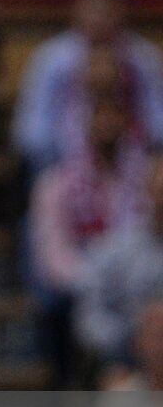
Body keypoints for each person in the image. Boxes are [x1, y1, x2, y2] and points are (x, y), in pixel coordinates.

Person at [28, 96, 151, 385]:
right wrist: (95, 280)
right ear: (84, 126)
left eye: (115, 115)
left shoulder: (146, 178)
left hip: (133, 286)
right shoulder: (56, 183)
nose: (108, 124)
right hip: (80, 287)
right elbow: (53, 257)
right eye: (100, 116)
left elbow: (146, 239)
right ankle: (73, 393)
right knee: (69, 312)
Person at [13, 0, 163, 173]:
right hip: (62, 160)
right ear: (76, 16)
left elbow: (157, 116)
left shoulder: (142, 58)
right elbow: (32, 127)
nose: (98, 20)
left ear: (119, 14)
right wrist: (55, 169)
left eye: (104, 13)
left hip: (135, 161)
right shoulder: (52, 58)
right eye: (92, 12)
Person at [76, 153, 163, 368]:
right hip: (127, 362)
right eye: (161, 192)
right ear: (148, 192)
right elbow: (88, 318)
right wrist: (131, 339)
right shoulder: (113, 251)